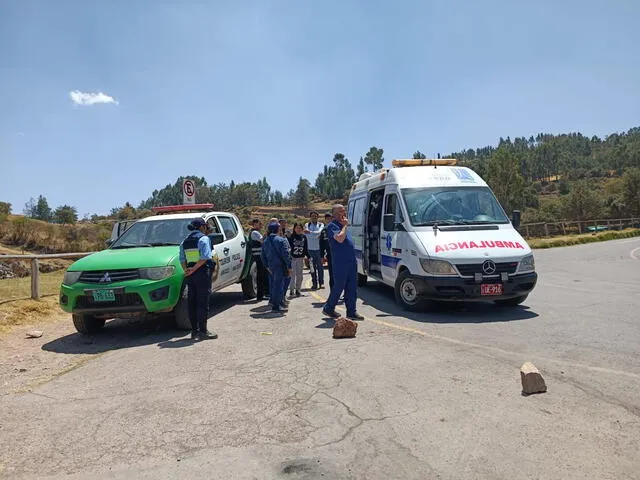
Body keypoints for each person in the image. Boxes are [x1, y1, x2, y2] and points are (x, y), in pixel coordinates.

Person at [322, 205, 364, 320]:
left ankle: (351, 312)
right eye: (341, 211)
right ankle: (328, 308)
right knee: (339, 286)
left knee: (352, 287)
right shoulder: (332, 226)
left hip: (351, 262)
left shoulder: (344, 226)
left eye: (344, 210)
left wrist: (345, 226)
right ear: (334, 214)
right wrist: (345, 225)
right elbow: (339, 239)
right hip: (340, 262)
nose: (344, 212)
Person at [179, 218, 218, 340]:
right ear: (202, 227)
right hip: (201, 272)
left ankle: (194, 331)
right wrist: (194, 269)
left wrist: (187, 270)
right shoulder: (203, 239)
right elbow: (205, 257)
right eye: (205, 226)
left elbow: (182, 259)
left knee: (192, 302)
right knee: (202, 302)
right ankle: (203, 331)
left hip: (190, 274)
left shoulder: (184, 241)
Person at [261, 222, 292, 313]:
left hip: (271, 266)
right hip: (280, 266)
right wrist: (289, 267)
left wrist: (267, 266)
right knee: (279, 286)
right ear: (278, 229)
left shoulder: (266, 240)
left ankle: (275, 302)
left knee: (274, 286)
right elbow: (286, 255)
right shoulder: (281, 240)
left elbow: (263, 256)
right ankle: (276, 306)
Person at [304, 211, 325, 290]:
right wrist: (314, 235)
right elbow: (311, 235)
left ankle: (321, 283)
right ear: (310, 217)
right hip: (310, 250)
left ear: (317, 217)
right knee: (312, 268)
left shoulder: (321, 224)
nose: (314, 217)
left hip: (319, 250)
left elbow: (319, 232)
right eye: (312, 216)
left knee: (320, 267)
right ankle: (314, 284)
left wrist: (310, 233)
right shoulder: (307, 225)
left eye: (315, 216)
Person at [249, 218, 269, 301]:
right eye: (259, 224)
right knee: (261, 275)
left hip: (259, 255)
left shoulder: (256, 232)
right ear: (255, 224)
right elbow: (262, 241)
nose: (261, 225)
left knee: (262, 275)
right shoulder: (255, 232)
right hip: (259, 255)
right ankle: (261, 294)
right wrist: (267, 233)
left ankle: (262, 294)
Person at [288, 223, 309, 297]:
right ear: (294, 229)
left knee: (300, 275)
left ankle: (298, 290)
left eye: (300, 228)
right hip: (293, 258)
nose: (298, 229)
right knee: (292, 275)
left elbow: (306, 248)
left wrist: (308, 256)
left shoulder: (304, 237)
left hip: (300, 258)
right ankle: (291, 290)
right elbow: (288, 247)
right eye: (297, 228)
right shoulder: (291, 237)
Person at [319, 212, 334, 290]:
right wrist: (321, 256)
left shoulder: (337, 228)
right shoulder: (324, 231)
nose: (329, 220)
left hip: (339, 256)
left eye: (330, 219)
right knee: (332, 275)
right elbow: (321, 245)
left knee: (340, 275)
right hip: (330, 256)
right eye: (327, 219)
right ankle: (333, 294)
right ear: (325, 220)